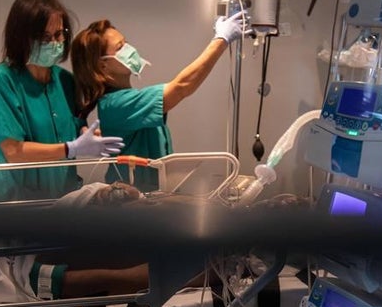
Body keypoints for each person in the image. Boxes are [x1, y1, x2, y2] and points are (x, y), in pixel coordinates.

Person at [70, 11, 249, 191]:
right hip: (132, 198)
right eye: (120, 47)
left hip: (151, 193)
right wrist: (221, 40)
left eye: (126, 42)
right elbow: (182, 86)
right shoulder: (116, 104)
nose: (129, 49)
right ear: (103, 65)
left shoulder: (124, 99)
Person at [0, 0, 124, 202]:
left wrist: (87, 136)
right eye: (44, 38)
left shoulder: (65, 81)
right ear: (20, 39)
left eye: (58, 35)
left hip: (62, 192)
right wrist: (71, 148)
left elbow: (75, 125)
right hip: (17, 197)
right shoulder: (2, 80)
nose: (54, 43)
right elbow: (13, 151)